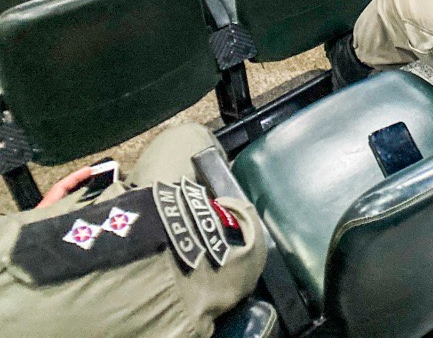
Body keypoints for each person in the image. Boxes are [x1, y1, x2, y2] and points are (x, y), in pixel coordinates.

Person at [0, 123, 265, 338]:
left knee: (184, 140)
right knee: (190, 141)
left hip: (58, 241)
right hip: (143, 269)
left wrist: (38, 218)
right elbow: (247, 241)